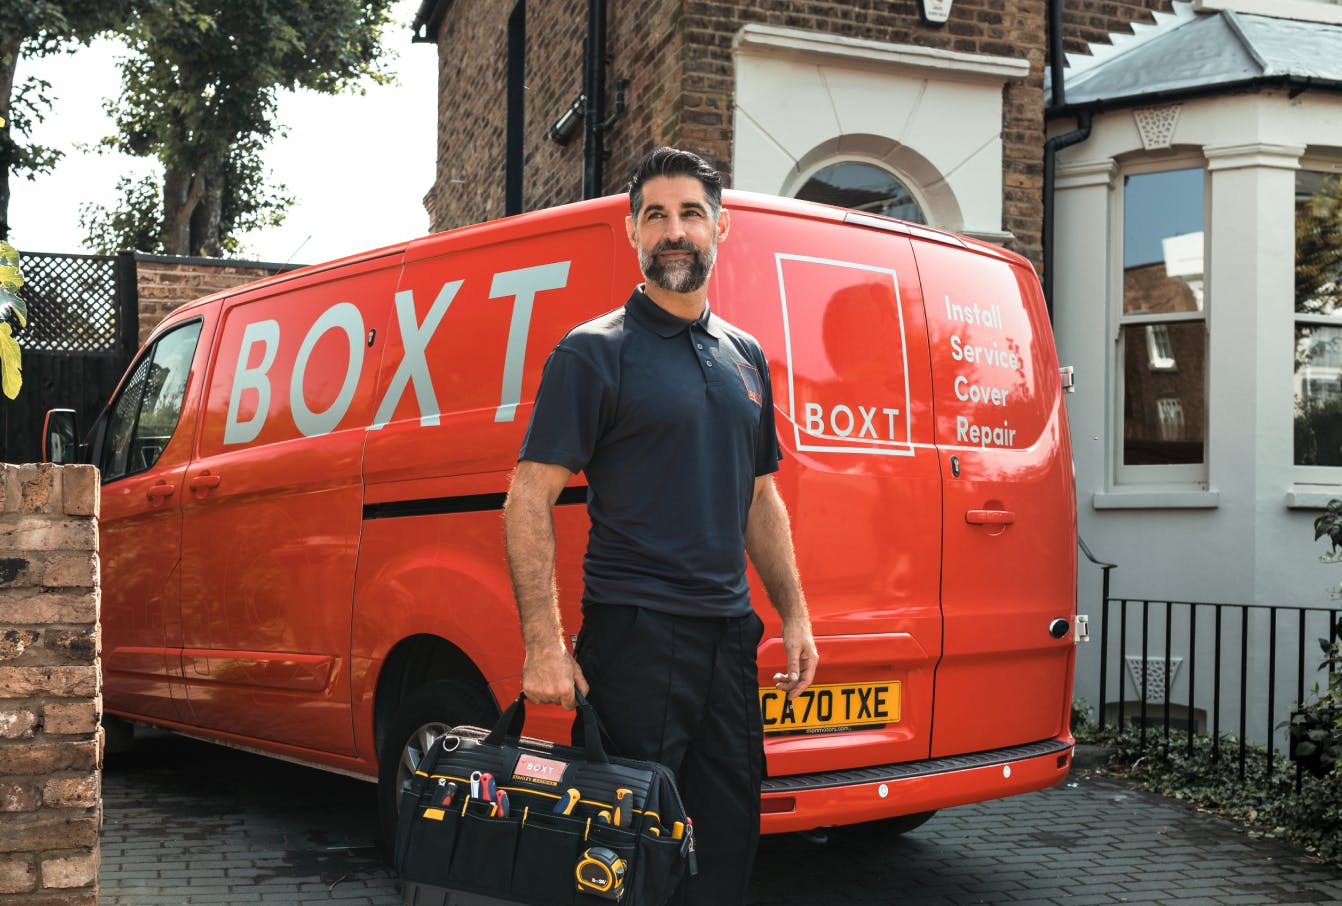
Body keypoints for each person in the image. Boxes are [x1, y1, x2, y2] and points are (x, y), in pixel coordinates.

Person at [503, 146, 817, 905]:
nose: (674, 231)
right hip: (636, 636)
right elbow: (527, 496)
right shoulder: (593, 352)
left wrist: (796, 614)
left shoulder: (744, 355)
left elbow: (759, 496)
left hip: (727, 637)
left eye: (690, 214)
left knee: (728, 841)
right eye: (656, 216)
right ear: (632, 233)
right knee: (624, 857)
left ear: (721, 228)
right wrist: (545, 643)